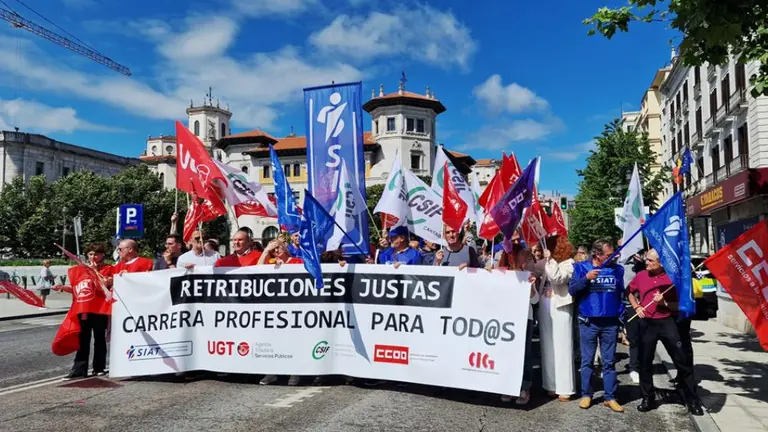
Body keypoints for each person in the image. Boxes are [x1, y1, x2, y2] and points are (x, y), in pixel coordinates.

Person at [628, 249, 703, 415]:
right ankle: (647, 397)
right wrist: (636, 306)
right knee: (645, 361)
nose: (646, 262)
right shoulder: (641, 276)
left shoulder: (673, 278)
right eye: (646, 259)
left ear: (661, 263)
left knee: (682, 360)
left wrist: (664, 303)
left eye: (650, 260)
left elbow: (683, 306)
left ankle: (692, 399)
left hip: (668, 322)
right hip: (647, 323)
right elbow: (629, 291)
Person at [568, 239, 625, 413]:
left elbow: (621, 292)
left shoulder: (617, 269)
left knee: (609, 361)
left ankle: (610, 397)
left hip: (610, 322)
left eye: (614, 253)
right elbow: (572, 290)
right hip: (588, 322)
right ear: (597, 255)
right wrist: (586, 278)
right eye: (609, 255)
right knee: (587, 360)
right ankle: (586, 394)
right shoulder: (581, 268)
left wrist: (621, 318)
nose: (614, 257)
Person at [63, 242, 114, 379]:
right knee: (83, 339)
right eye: (90, 254)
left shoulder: (108, 268)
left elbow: (107, 284)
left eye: (96, 254)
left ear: (102, 255)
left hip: (99, 309)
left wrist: (95, 272)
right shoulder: (81, 270)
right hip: (84, 309)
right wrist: (63, 288)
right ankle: (79, 369)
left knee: (99, 339)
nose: (93, 257)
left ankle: (99, 367)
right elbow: (78, 288)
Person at [497, 245, 539, 405]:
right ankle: (507, 386)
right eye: (522, 257)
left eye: (527, 258)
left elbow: (535, 301)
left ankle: (524, 386)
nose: (524, 260)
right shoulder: (502, 275)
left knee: (525, 354)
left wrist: (531, 289)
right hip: (506, 320)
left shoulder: (527, 276)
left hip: (524, 319)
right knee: (506, 353)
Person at [540, 236, 576, 401]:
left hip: (561, 306)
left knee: (562, 346)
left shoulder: (569, 263)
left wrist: (550, 259)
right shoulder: (547, 261)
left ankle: (565, 387)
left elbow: (557, 278)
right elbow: (533, 268)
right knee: (548, 345)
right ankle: (551, 384)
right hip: (546, 304)